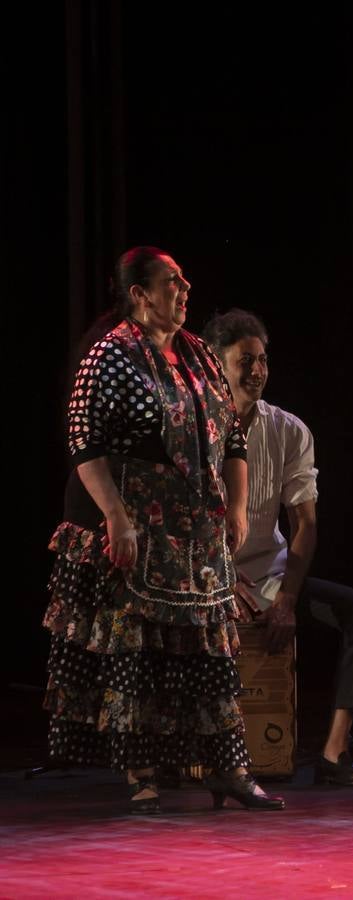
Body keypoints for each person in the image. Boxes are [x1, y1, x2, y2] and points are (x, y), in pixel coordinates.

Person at [43, 246, 283, 813]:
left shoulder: (197, 354)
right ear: (140, 294)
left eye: (182, 280)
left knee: (212, 657)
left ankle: (228, 770)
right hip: (138, 528)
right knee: (138, 654)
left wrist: (239, 506)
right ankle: (142, 774)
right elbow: (86, 443)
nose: (185, 288)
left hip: (198, 534)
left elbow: (234, 437)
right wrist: (116, 518)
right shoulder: (109, 357)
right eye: (172, 281)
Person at [204, 309, 353, 787]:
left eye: (262, 359)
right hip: (205, 580)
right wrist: (221, 583)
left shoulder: (288, 430)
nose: (257, 370)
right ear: (216, 364)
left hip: (271, 577)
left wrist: (285, 599)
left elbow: (305, 523)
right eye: (245, 360)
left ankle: (334, 751)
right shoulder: (195, 427)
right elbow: (184, 524)